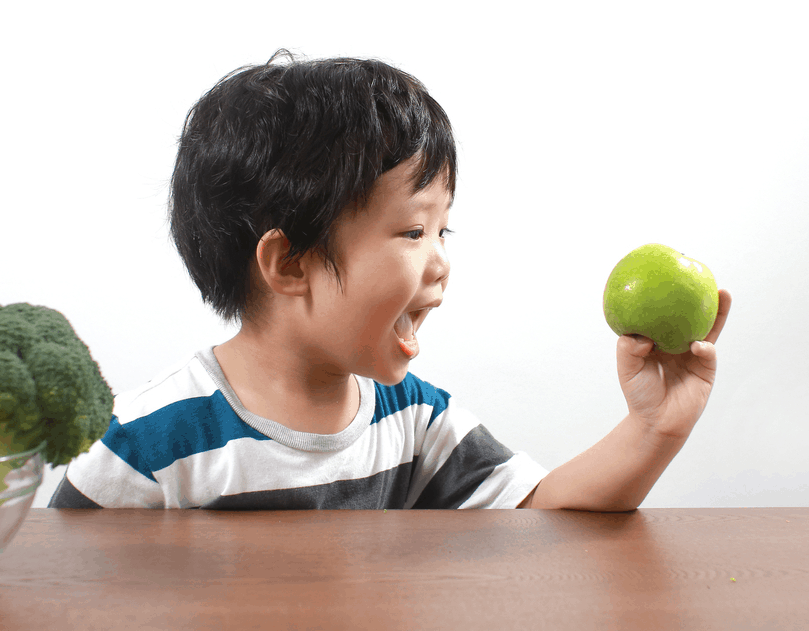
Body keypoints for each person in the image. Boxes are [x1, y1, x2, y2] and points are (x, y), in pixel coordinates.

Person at [50, 52, 731, 511]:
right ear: (289, 263)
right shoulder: (148, 445)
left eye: (444, 230)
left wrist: (654, 427)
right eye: (413, 232)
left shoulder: (412, 418)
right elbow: (63, 585)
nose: (440, 261)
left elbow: (542, 514)